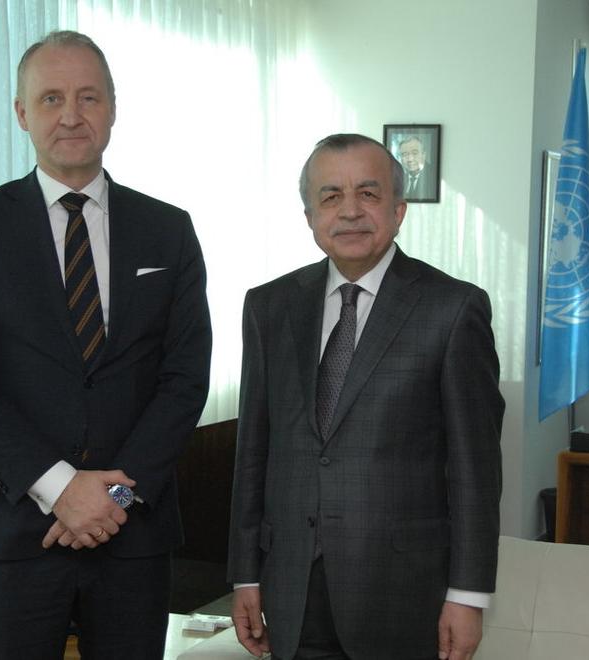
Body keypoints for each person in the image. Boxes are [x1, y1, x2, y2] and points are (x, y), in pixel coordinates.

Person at [0, 30, 212, 659]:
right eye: (51, 98)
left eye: (88, 97)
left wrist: (111, 499)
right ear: (22, 113)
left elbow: (185, 379)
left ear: (113, 108)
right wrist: (60, 488)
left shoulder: (169, 229)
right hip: (8, 533)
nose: (71, 115)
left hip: (130, 532)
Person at [227, 133, 503, 660]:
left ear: (398, 211)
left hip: (405, 594)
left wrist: (468, 595)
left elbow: (476, 468)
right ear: (310, 216)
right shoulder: (269, 307)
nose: (350, 211)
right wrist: (244, 574)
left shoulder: (453, 308)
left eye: (368, 194)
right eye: (331, 196)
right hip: (292, 587)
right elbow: (253, 453)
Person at [398, 135, 437, 200]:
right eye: (405, 154)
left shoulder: (434, 176)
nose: (410, 159)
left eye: (415, 153)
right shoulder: (399, 179)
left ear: (423, 155)